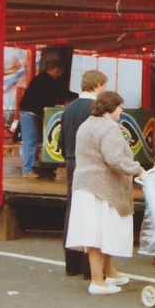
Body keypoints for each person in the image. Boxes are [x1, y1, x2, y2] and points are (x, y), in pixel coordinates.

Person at [65, 91, 146, 295]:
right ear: (110, 109)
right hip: (102, 188)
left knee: (100, 232)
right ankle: (97, 281)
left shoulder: (87, 124)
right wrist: (138, 169)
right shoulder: (109, 127)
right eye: (119, 107)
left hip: (85, 185)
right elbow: (115, 159)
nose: (121, 110)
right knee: (99, 234)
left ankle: (110, 273)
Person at [59, 70, 107, 277]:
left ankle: (72, 264)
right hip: (91, 164)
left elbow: (60, 140)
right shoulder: (95, 109)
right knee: (92, 213)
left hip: (71, 161)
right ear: (97, 85)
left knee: (73, 210)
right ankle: (91, 270)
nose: (105, 89)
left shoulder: (68, 110)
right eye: (104, 85)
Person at [17, 60, 69, 178]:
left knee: (34, 140)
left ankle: (32, 167)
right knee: (31, 141)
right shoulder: (46, 81)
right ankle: (28, 169)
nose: (59, 75)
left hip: (30, 112)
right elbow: (54, 96)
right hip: (30, 112)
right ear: (54, 70)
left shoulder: (41, 79)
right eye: (58, 72)